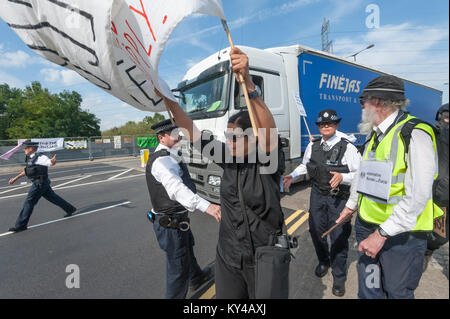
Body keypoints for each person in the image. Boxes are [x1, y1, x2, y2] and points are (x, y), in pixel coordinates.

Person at [155, 46, 285, 299]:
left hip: (263, 254)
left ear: (252, 138)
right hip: (228, 254)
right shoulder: (227, 157)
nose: (229, 142)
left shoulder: (267, 160)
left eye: (235, 138)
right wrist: (169, 100)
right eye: (227, 137)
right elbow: (192, 132)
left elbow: (268, 130)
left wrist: (247, 82)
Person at [336, 75, 444, 299]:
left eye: (362, 101)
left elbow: (418, 195)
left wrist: (382, 233)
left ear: (377, 102)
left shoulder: (415, 133)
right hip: (367, 227)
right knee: (370, 290)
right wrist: (351, 205)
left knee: (396, 292)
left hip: (401, 236)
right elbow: (362, 175)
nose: (362, 107)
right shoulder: (373, 135)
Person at [283, 109, 361, 297]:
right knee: (316, 231)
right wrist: (292, 175)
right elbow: (305, 165)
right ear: (318, 127)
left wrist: (343, 176)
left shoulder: (347, 147)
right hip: (317, 195)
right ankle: (324, 261)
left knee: (339, 237)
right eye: (322, 124)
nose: (326, 126)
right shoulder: (313, 146)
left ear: (336, 125)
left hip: (338, 199)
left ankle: (339, 276)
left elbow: (360, 174)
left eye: (330, 123)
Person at [145, 119, 221, 299]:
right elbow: (176, 189)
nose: (178, 135)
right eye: (173, 134)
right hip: (170, 224)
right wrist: (206, 206)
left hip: (178, 221)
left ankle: (196, 277)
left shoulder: (171, 154)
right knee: (177, 269)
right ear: (161, 137)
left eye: (178, 132)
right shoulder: (162, 161)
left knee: (187, 249)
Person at [8, 140, 76, 232]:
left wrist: (52, 162)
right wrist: (16, 178)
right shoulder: (29, 157)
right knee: (53, 198)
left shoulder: (40, 157)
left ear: (31, 149)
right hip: (42, 183)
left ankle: (21, 225)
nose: (24, 149)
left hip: (39, 183)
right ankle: (70, 209)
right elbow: (27, 170)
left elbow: (49, 163)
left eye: (26, 148)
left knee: (29, 202)